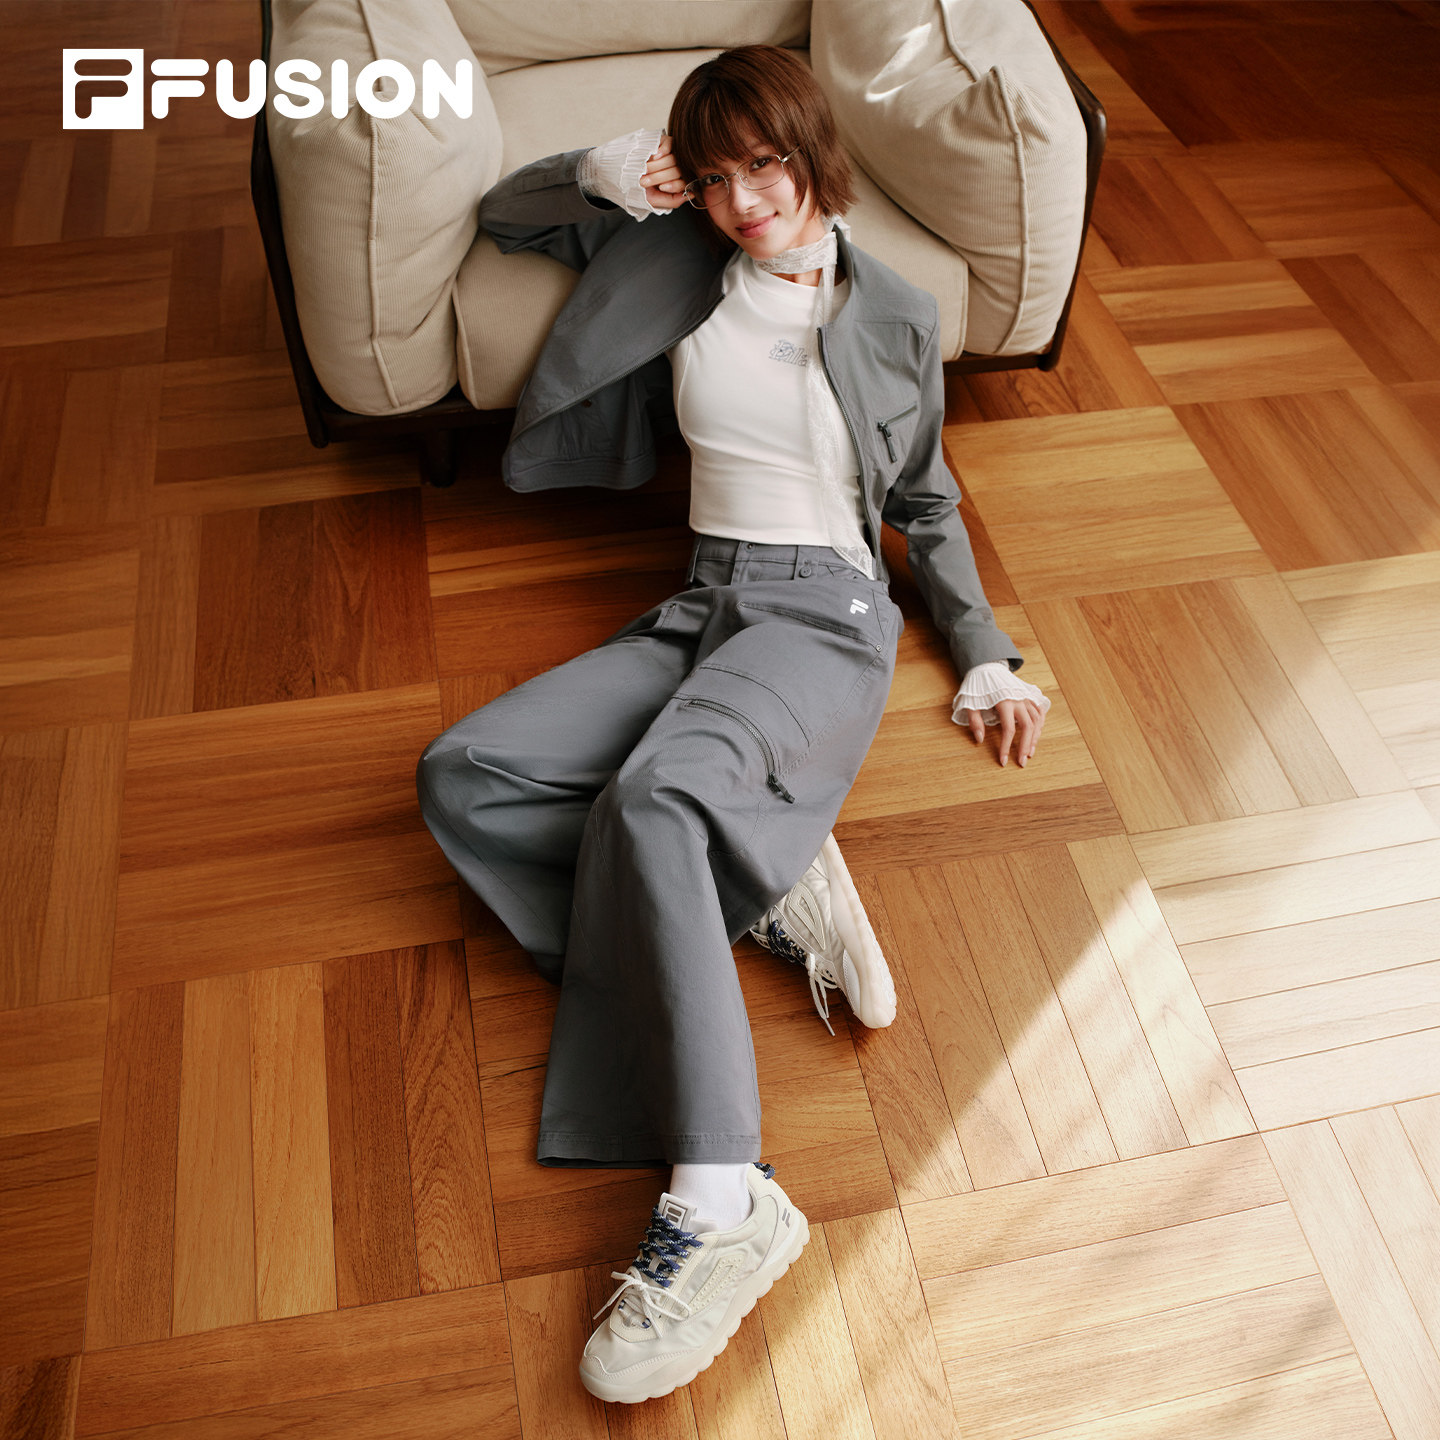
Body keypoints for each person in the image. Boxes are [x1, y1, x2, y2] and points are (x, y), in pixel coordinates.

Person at [415, 45, 1049, 1404]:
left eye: (765, 166)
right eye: (714, 178)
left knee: (651, 800)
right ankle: (751, 883)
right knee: (465, 773)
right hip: (703, 602)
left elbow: (925, 499)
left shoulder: (893, 312)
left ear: (814, 154)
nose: (745, 203)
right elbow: (506, 215)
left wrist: (985, 655)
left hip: (823, 617)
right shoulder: (673, 254)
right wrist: (602, 171)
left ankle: (722, 1197)